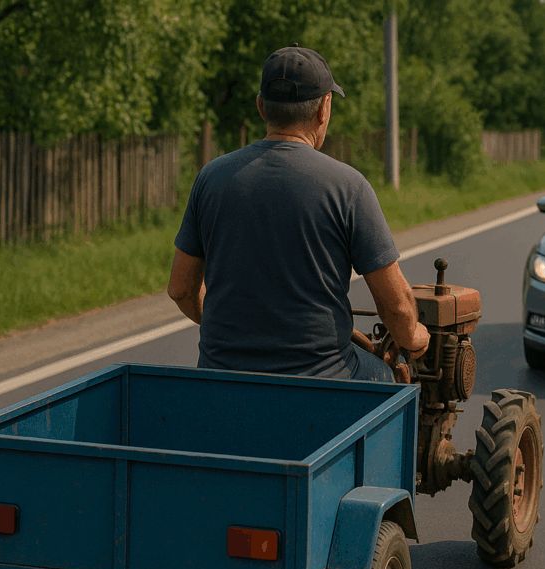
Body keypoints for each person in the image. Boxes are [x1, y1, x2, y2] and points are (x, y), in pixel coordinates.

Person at [166, 44, 429, 382]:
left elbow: (181, 289)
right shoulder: (349, 187)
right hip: (323, 382)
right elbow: (396, 306)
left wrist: (237, 333)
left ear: (261, 108)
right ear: (324, 109)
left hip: (222, 377)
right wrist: (415, 338)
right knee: (391, 376)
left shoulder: (210, 178)